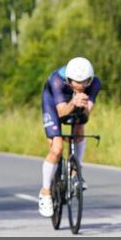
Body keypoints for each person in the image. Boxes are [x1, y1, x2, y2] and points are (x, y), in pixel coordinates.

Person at [37, 57, 100, 217]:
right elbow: (60, 113)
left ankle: (75, 172)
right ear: (69, 80)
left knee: (79, 130)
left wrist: (84, 106)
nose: (81, 87)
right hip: (54, 104)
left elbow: (86, 115)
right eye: (77, 84)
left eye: (85, 84)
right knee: (57, 148)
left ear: (90, 81)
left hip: (73, 104)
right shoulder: (56, 81)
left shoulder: (94, 84)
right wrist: (73, 102)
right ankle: (45, 192)